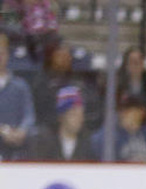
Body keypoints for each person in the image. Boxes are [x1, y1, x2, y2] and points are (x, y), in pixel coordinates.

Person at [90, 93, 146, 162]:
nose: (125, 113)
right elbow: (98, 147)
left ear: (141, 112)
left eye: (130, 110)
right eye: (123, 110)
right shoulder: (111, 134)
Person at [27, 84, 96, 161]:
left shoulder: (88, 144)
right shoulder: (44, 142)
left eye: (81, 114)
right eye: (74, 114)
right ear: (61, 117)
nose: (79, 119)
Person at [0, 31, 35, 160]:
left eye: (2, 53)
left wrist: (22, 131)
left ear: (8, 55)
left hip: (17, 145)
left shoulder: (20, 85)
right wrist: (3, 131)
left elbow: (29, 114)